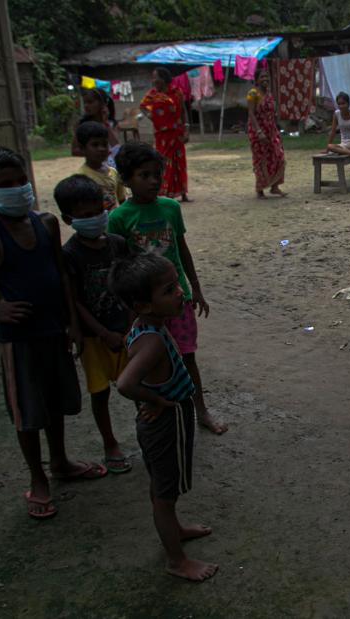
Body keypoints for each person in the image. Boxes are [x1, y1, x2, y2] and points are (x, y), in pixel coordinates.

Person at [0, 147, 107, 520]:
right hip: (19, 339)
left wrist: (73, 323)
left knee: (55, 402)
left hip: (54, 330)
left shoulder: (45, 223)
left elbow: (61, 274)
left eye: (20, 181)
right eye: (4, 185)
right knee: (27, 413)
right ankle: (37, 477)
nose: (17, 189)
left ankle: (60, 461)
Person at [110, 252, 218, 582]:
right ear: (143, 305)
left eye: (176, 286)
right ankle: (176, 560)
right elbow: (126, 383)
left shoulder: (145, 325)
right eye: (169, 290)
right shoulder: (153, 341)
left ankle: (176, 529)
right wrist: (155, 398)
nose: (180, 294)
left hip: (164, 420)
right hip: (167, 422)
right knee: (164, 495)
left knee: (163, 488)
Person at [108, 143, 228, 435]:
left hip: (178, 301)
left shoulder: (171, 208)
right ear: (126, 179)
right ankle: (154, 406)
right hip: (147, 309)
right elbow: (121, 270)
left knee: (187, 357)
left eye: (156, 175)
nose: (152, 181)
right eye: (143, 175)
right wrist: (127, 317)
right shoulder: (119, 218)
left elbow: (182, 250)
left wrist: (195, 289)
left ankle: (200, 410)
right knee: (149, 361)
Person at [55, 174, 134, 474]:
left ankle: (147, 431)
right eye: (85, 216)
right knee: (100, 393)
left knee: (137, 383)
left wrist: (128, 327)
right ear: (68, 218)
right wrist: (102, 333)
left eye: (98, 211)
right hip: (94, 338)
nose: (95, 218)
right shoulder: (70, 254)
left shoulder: (118, 244)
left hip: (125, 330)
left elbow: (129, 288)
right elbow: (73, 300)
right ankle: (110, 443)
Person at [140, 68, 191, 202]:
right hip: (161, 136)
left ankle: (183, 193)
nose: (154, 80)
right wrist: (151, 116)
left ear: (163, 78)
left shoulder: (177, 92)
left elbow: (183, 112)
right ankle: (166, 193)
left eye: (156, 77)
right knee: (163, 163)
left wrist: (186, 129)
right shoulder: (152, 95)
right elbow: (143, 106)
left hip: (177, 134)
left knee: (179, 163)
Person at [246, 73, 287, 199]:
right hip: (258, 131)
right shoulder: (253, 93)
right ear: (257, 80)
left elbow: (271, 113)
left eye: (267, 77)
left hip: (271, 130)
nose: (265, 79)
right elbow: (251, 114)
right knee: (260, 159)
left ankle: (275, 187)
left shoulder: (269, 93)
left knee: (278, 156)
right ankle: (260, 190)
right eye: (262, 77)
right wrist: (259, 132)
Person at [74, 121, 127, 211]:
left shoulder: (113, 172)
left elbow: (122, 200)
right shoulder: (81, 178)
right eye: (95, 145)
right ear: (82, 148)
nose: (101, 149)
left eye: (105, 144)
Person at [71, 88, 120, 166]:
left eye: (90, 102)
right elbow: (75, 151)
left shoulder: (112, 124)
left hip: (113, 166)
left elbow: (116, 147)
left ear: (102, 104)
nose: (86, 106)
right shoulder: (82, 125)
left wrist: (105, 123)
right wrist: (95, 154)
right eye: (85, 103)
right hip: (95, 167)